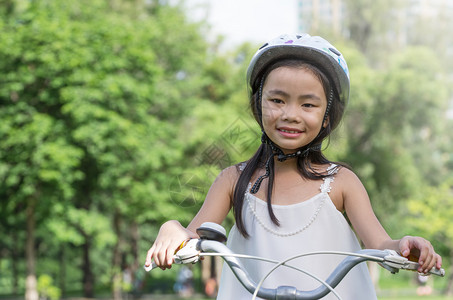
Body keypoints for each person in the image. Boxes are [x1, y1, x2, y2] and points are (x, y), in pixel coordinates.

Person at [145, 34, 443, 299]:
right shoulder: (232, 181)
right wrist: (171, 229)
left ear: (327, 117)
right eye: (277, 100)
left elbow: (379, 243)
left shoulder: (341, 182)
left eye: (308, 105)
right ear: (258, 105)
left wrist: (404, 245)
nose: (290, 114)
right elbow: (193, 237)